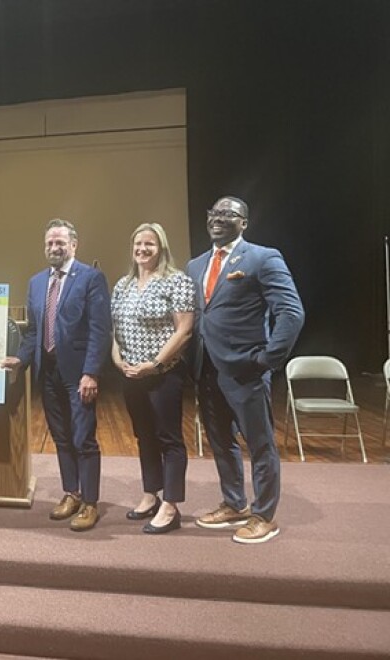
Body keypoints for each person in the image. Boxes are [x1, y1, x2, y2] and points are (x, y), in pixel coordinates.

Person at [187, 195, 304, 544]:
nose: (218, 218)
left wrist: (268, 359)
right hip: (206, 369)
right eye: (214, 212)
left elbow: (291, 312)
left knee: (260, 444)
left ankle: (264, 515)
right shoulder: (195, 265)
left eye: (228, 213)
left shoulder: (263, 258)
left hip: (246, 369)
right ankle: (234, 503)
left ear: (244, 223)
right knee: (221, 441)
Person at [1, 218, 112, 532]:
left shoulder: (91, 278)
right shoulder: (37, 282)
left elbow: (100, 330)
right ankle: (71, 493)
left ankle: (90, 503)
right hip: (47, 372)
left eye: (60, 242)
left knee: (83, 438)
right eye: (49, 243)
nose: (54, 247)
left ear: (73, 245)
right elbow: (34, 332)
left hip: (78, 374)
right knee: (61, 437)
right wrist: (21, 359)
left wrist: (91, 373)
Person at [111, 223, 194, 534]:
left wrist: (155, 364)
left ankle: (171, 506)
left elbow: (184, 330)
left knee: (168, 438)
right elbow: (116, 329)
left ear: (161, 248)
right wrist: (117, 359)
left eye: (150, 244)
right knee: (144, 435)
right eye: (138, 243)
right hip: (131, 375)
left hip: (163, 374)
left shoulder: (177, 281)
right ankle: (151, 494)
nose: (142, 249)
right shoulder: (123, 285)